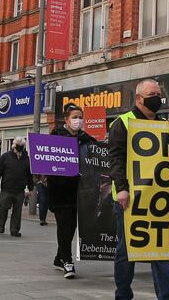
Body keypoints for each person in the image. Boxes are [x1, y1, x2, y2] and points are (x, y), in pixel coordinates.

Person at [109, 79, 169, 300]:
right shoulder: (123, 122)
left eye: (159, 93)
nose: (158, 98)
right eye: (152, 93)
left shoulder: (162, 123)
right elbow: (116, 158)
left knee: (160, 248)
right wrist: (122, 189)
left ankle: (167, 296)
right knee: (127, 250)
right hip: (129, 199)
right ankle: (123, 294)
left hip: (156, 198)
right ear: (139, 98)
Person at [48, 103, 98, 278]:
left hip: (80, 190)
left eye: (80, 117)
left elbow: (98, 156)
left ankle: (58, 257)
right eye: (74, 117)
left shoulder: (87, 139)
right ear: (66, 120)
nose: (78, 120)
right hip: (60, 191)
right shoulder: (56, 137)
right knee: (65, 225)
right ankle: (67, 261)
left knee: (71, 227)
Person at [0, 136, 33, 237]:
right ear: (14, 145)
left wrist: (31, 188)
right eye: (18, 145)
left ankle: (14, 230)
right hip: (7, 188)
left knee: (17, 211)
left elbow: (29, 175)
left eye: (22, 145)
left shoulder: (26, 159)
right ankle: (1, 224)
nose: (20, 147)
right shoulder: (5, 156)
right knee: (3, 208)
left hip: (19, 190)